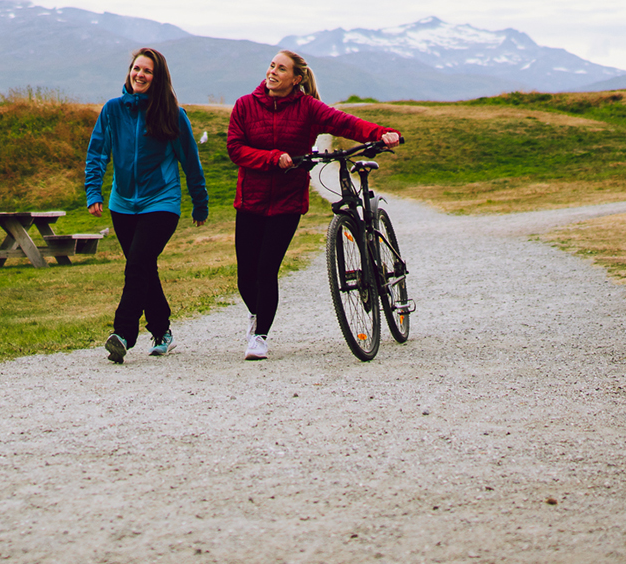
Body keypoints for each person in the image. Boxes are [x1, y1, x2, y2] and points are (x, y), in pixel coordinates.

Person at [225, 49, 401, 360]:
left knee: (267, 270)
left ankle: (260, 335)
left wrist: (381, 134)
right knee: (245, 275)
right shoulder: (245, 105)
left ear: (296, 78)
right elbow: (236, 148)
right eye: (271, 65)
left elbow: (345, 123)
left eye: (281, 69)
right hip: (250, 200)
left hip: (287, 202)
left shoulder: (308, 108)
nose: (273, 72)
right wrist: (272, 158)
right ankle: (257, 314)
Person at [84, 47, 209, 363]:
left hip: (161, 202)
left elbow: (190, 160)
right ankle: (162, 330)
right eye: (136, 69)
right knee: (143, 267)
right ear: (129, 72)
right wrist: (93, 192)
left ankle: (123, 334)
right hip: (122, 204)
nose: (139, 75)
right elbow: (98, 153)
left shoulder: (172, 115)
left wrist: (200, 201)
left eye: (147, 71)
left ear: (157, 78)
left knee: (137, 264)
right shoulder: (113, 110)